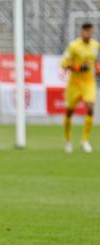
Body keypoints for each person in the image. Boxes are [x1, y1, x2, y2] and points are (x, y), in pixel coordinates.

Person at [61, 22, 99, 153]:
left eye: (90, 31)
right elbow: (64, 64)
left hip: (89, 83)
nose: (88, 33)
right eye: (86, 31)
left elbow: (96, 63)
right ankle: (67, 140)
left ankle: (85, 140)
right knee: (69, 111)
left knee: (90, 107)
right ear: (81, 31)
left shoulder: (95, 46)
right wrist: (78, 67)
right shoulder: (73, 46)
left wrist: (98, 68)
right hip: (74, 84)